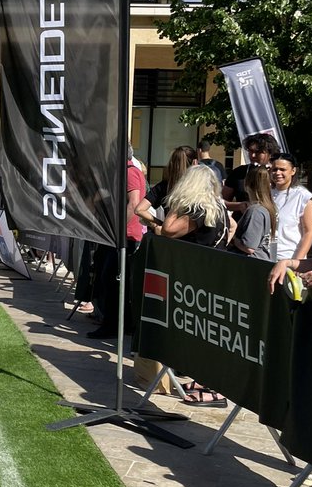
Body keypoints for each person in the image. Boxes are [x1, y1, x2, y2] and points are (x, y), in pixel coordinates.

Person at [161, 165, 234, 407]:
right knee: (205, 332)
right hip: (213, 276)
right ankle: (205, 382)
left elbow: (168, 229)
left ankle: (212, 388)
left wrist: (177, 205)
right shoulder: (218, 207)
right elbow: (231, 229)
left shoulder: (197, 208)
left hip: (198, 278)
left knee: (203, 333)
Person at [88, 143, 146, 338]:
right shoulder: (123, 172)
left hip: (125, 236)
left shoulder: (130, 173)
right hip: (119, 235)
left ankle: (112, 325)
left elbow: (134, 203)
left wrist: (118, 230)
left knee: (112, 280)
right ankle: (119, 323)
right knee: (111, 280)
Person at [135, 145, 197, 231]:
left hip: (169, 237)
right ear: (195, 163)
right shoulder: (197, 188)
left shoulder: (164, 186)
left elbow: (139, 210)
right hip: (191, 238)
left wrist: (159, 223)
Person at [269, 152, 312, 265]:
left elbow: (309, 232)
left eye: (282, 169)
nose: (278, 173)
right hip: (265, 257)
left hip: (288, 259)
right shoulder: (267, 193)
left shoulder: (303, 196)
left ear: (293, 171)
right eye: (274, 169)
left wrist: (295, 262)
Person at [222, 133, 278, 217]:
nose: (253, 155)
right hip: (242, 224)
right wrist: (240, 206)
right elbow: (221, 202)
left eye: (258, 152)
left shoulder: (277, 174)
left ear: (270, 153)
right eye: (250, 151)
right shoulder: (238, 173)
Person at [229, 165, 277, 261]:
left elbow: (249, 247)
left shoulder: (255, 211)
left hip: (252, 263)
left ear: (247, 184)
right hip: (265, 259)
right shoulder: (271, 207)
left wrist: (233, 238)